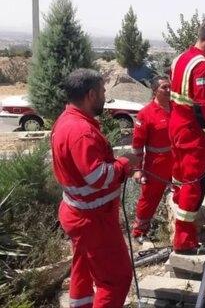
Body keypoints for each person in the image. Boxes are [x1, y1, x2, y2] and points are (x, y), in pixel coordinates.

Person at [51, 68, 140, 308]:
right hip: (93, 219)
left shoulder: (68, 120)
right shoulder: (82, 132)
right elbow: (98, 177)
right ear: (91, 94)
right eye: (102, 91)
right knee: (116, 279)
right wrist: (124, 164)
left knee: (83, 270)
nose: (104, 96)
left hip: (78, 212)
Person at [169, 19, 205, 254]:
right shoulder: (203, 67)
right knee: (194, 186)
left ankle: (183, 235)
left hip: (176, 129)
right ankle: (184, 242)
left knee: (181, 182)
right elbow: (203, 109)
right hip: (193, 136)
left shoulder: (180, 59)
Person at [131, 75, 173, 243]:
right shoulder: (146, 114)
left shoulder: (176, 108)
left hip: (177, 162)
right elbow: (137, 145)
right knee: (148, 200)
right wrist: (137, 170)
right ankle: (139, 233)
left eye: (170, 86)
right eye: (164, 87)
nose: (169, 90)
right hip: (156, 165)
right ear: (155, 91)